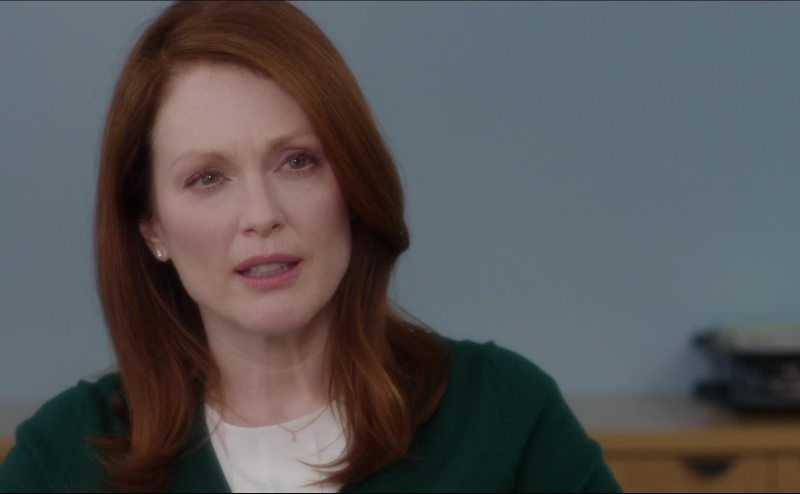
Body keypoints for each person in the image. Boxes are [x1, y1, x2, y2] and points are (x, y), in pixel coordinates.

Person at [0, 2, 620, 492]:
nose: (262, 215)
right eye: (207, 178)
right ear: (151, 226)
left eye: (297, 162)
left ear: (351, 182)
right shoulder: (62, 457)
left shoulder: (504, 413)